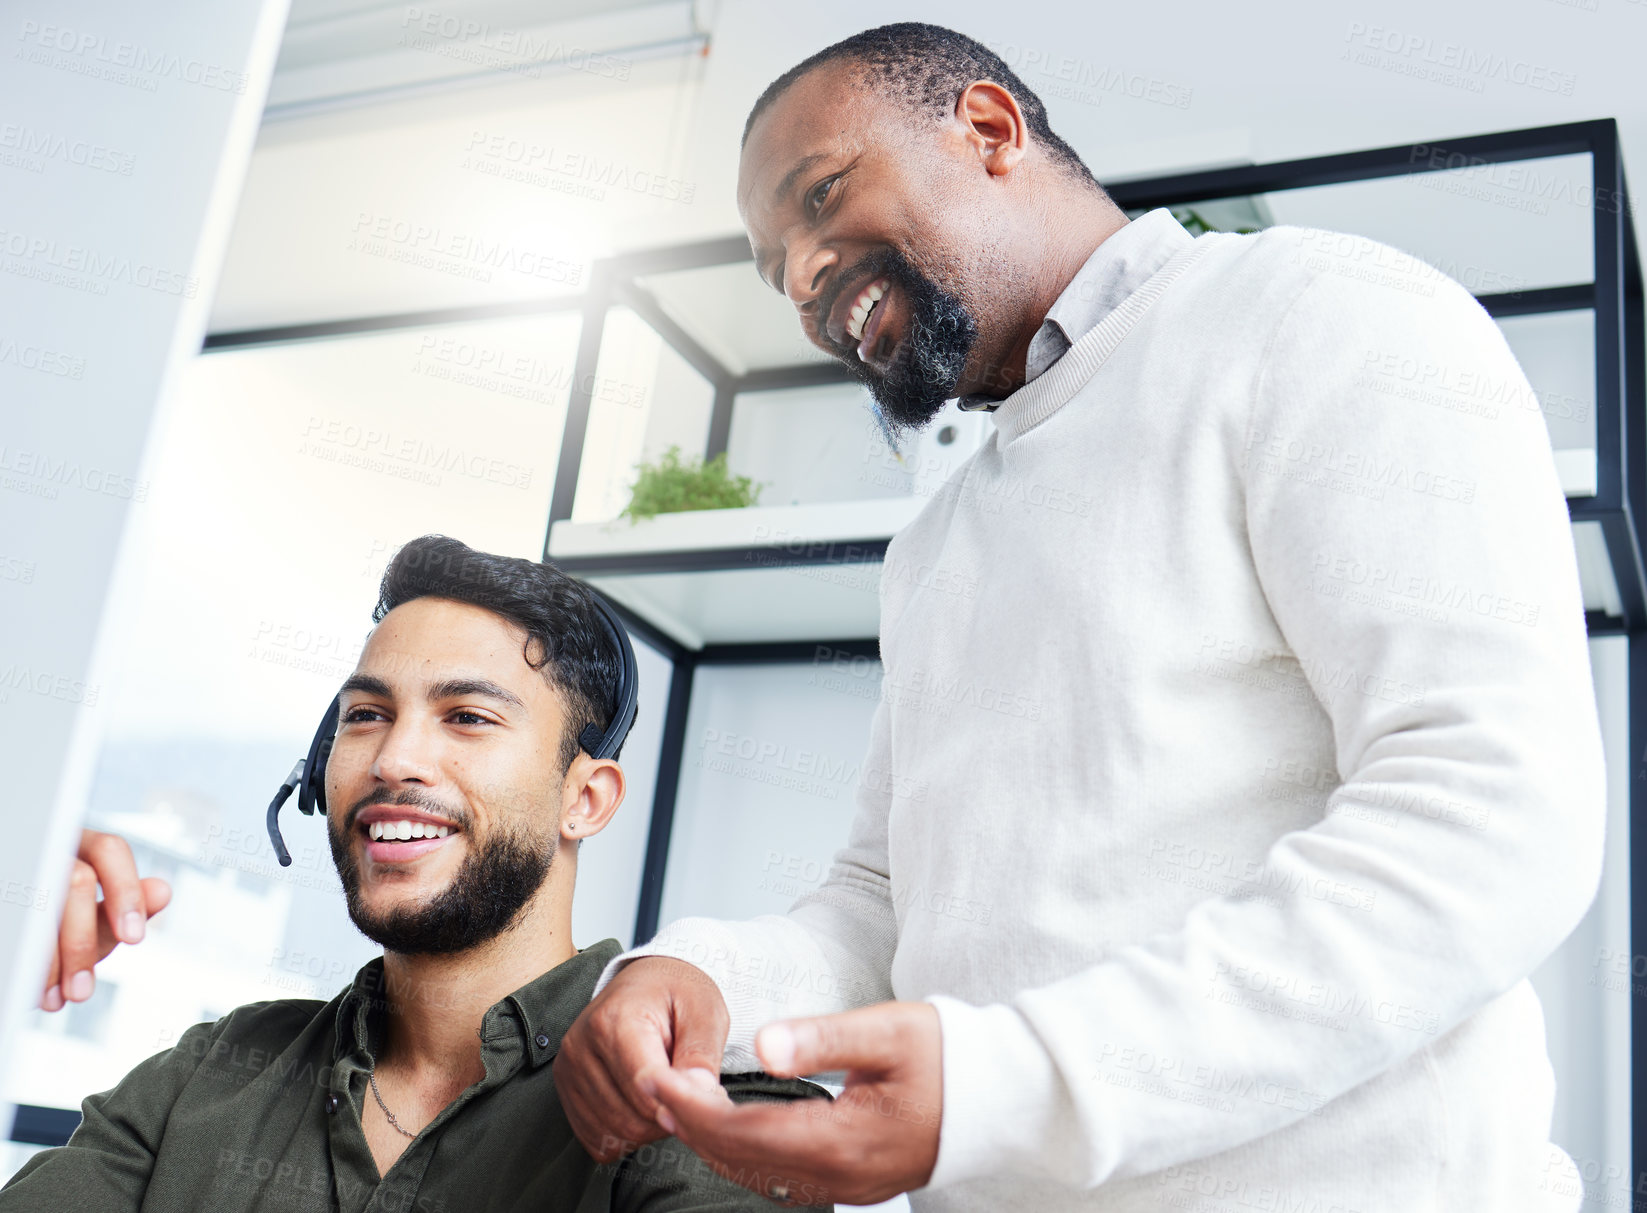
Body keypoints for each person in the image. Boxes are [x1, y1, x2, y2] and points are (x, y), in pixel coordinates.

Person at [550, 21, 1605, 1213]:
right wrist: (705, 975)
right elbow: (888, 902)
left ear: (991, 130)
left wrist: (1018, 1084)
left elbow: (1491, 818)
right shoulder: (936, 544)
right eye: (773, 260)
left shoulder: (1329, 313)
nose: (799, 276)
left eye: (821, 194)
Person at [5, 535, 830, 1212]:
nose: (394, 758)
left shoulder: (705, 1099)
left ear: (585, 798)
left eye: (466, 717)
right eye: (366, 715)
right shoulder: (210, 1071)